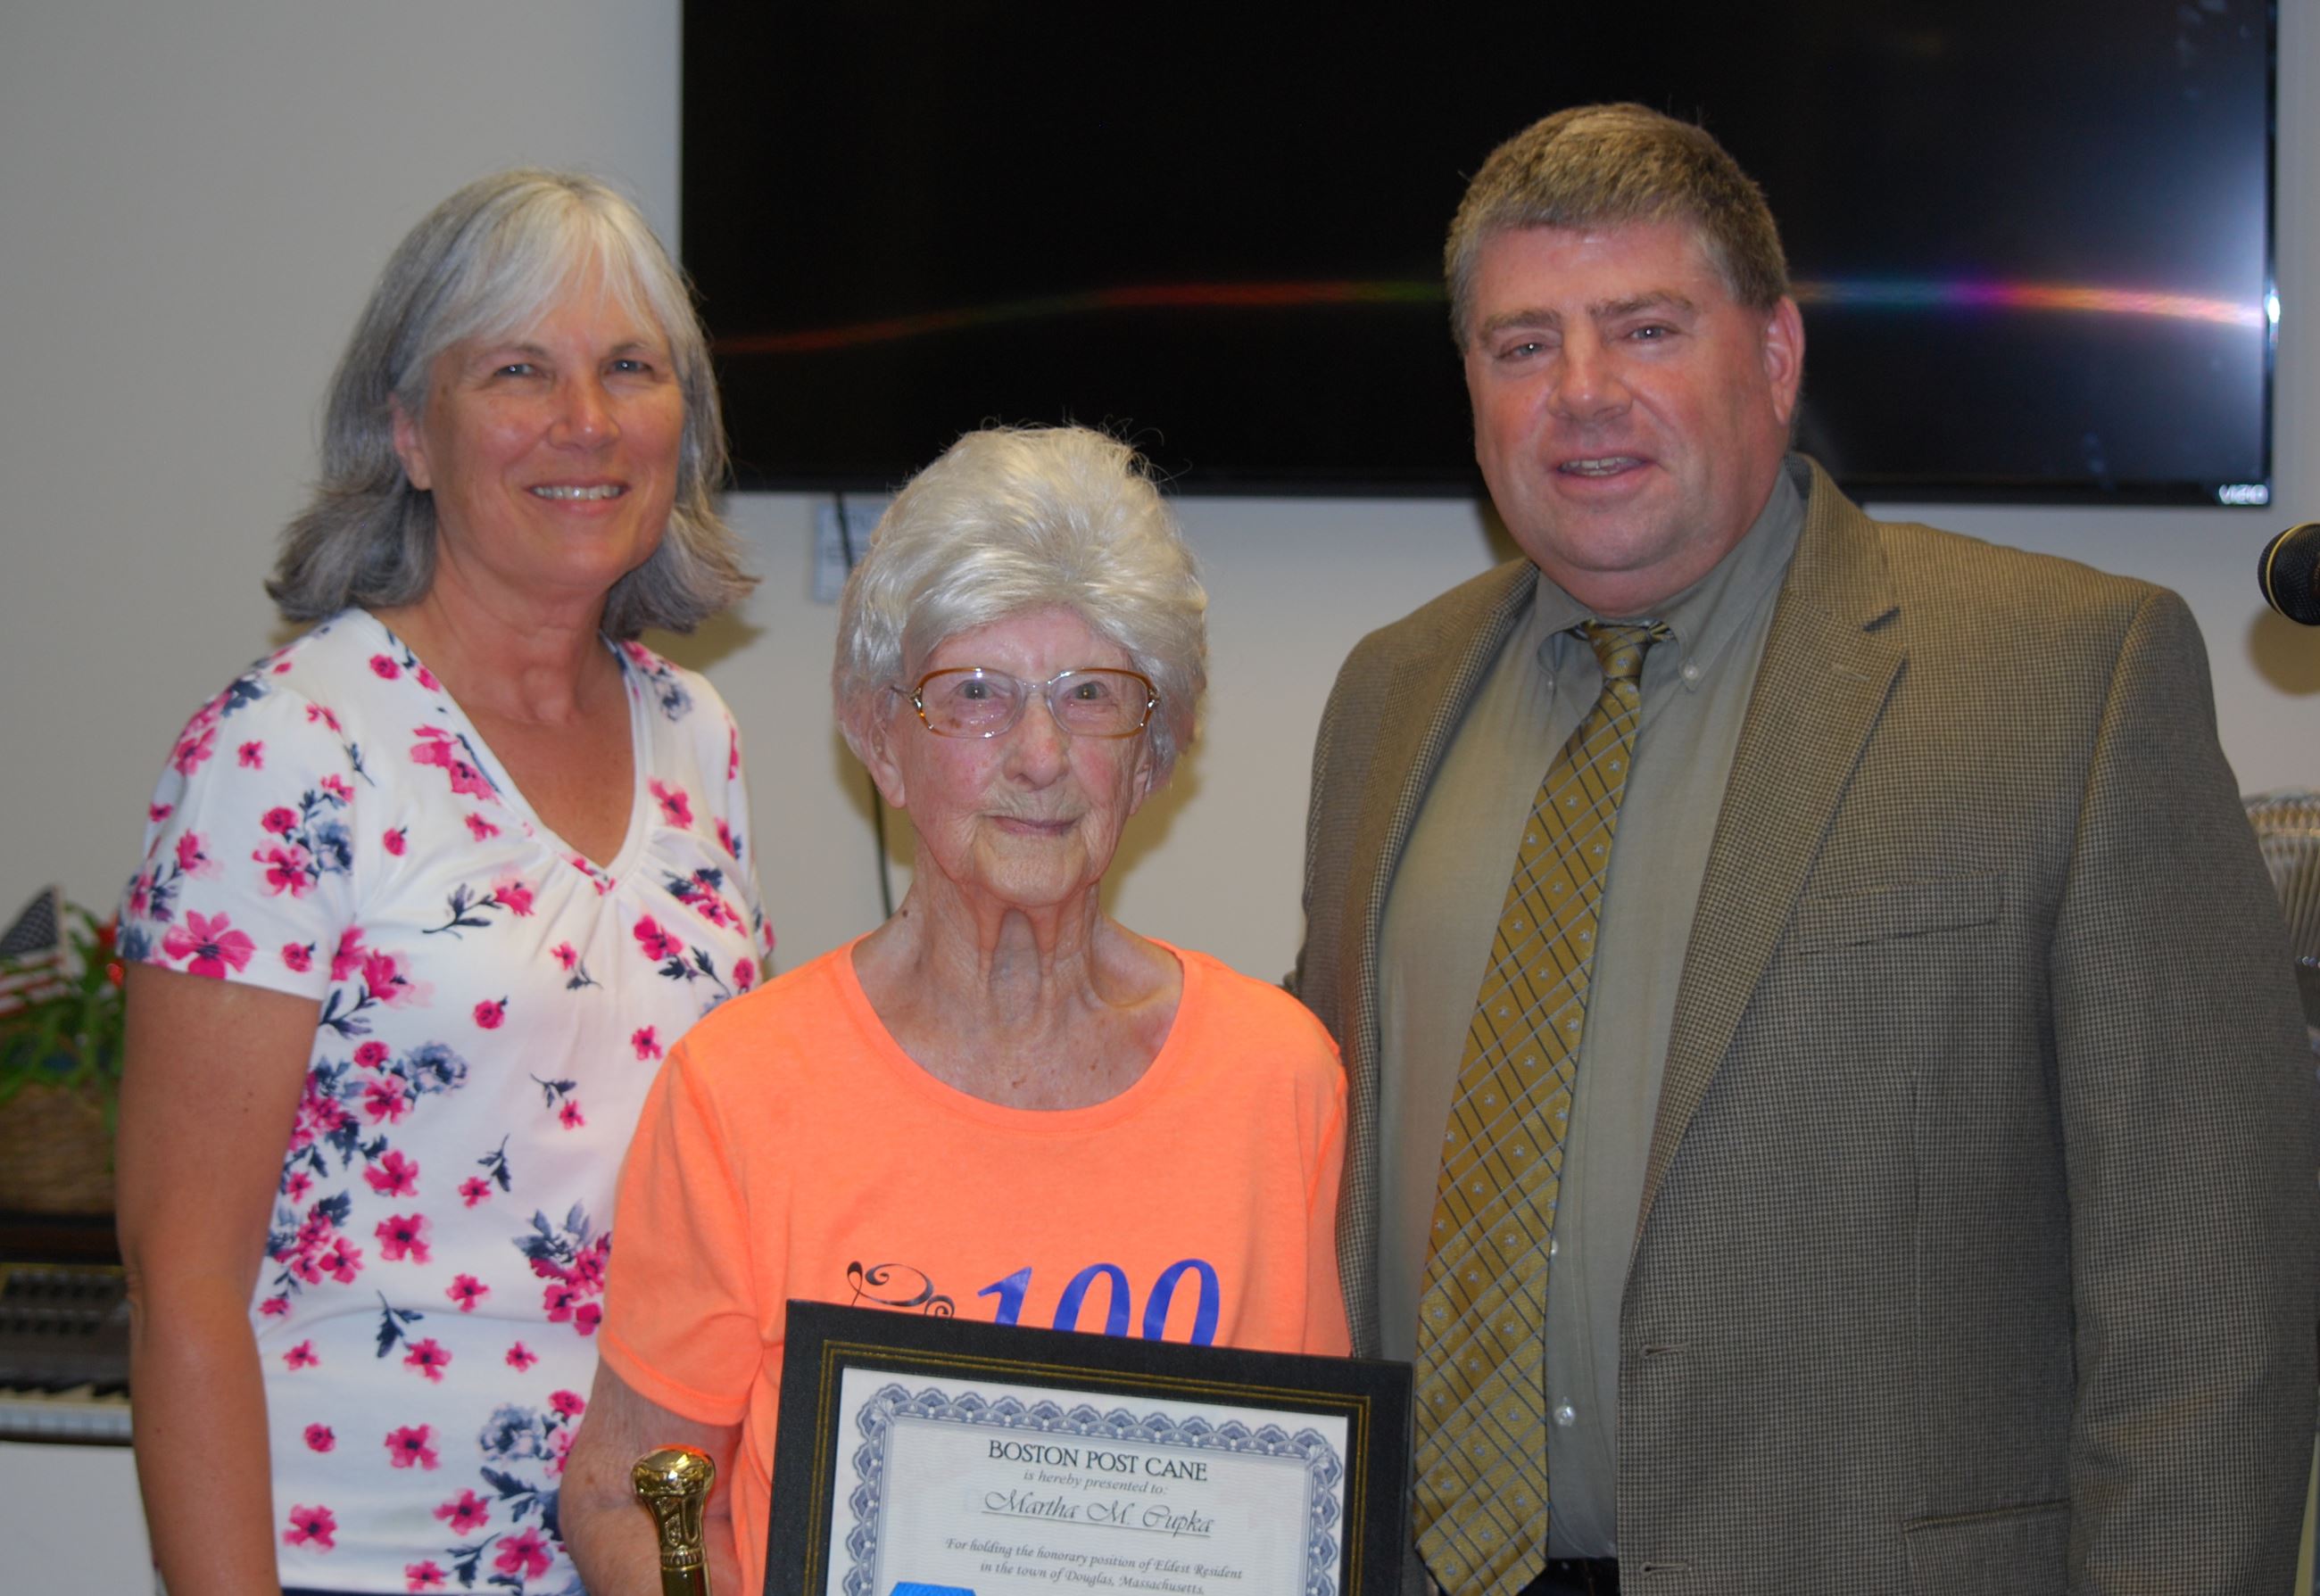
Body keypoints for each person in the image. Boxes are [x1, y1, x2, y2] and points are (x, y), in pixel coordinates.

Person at [1290, 103, 2316, 1595]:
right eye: (1523, 345)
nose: (1581, 395)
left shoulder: (2070, 679)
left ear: (1774, 356)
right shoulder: (1389, 696)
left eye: (1645, 329)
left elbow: (2214, 1307)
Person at [114, 170, 771, 1596]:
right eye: (518, 369)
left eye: (630, 369)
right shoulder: (290, 747)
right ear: (410, 430)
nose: (585, 421)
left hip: (641, 1556)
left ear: (684, 431)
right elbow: (181, 1279)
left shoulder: (698, 740)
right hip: (347, 1556)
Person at [559, 424, 1350, 1592]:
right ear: (884, 736)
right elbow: (625, 1494)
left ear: (1152, 753)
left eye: (1093, 695)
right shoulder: (743, 1091)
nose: (1040, 753)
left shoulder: (1277, 1079)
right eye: (977, 694)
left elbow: (1302, 1511)